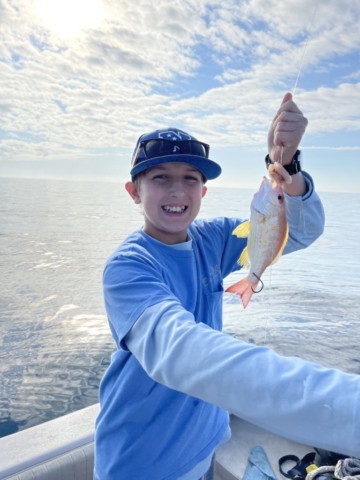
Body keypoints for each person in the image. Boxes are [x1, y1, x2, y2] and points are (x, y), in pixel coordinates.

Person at [94, 93, 360, 480]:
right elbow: (179, 350)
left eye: (190, 179)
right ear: (134, 191)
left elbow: (300, 232)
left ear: (203, 192)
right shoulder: (129, 266)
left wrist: (287, 168)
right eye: (160, 177)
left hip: (206, 443)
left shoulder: (213, 238)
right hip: (142, 461)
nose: (177, 191)